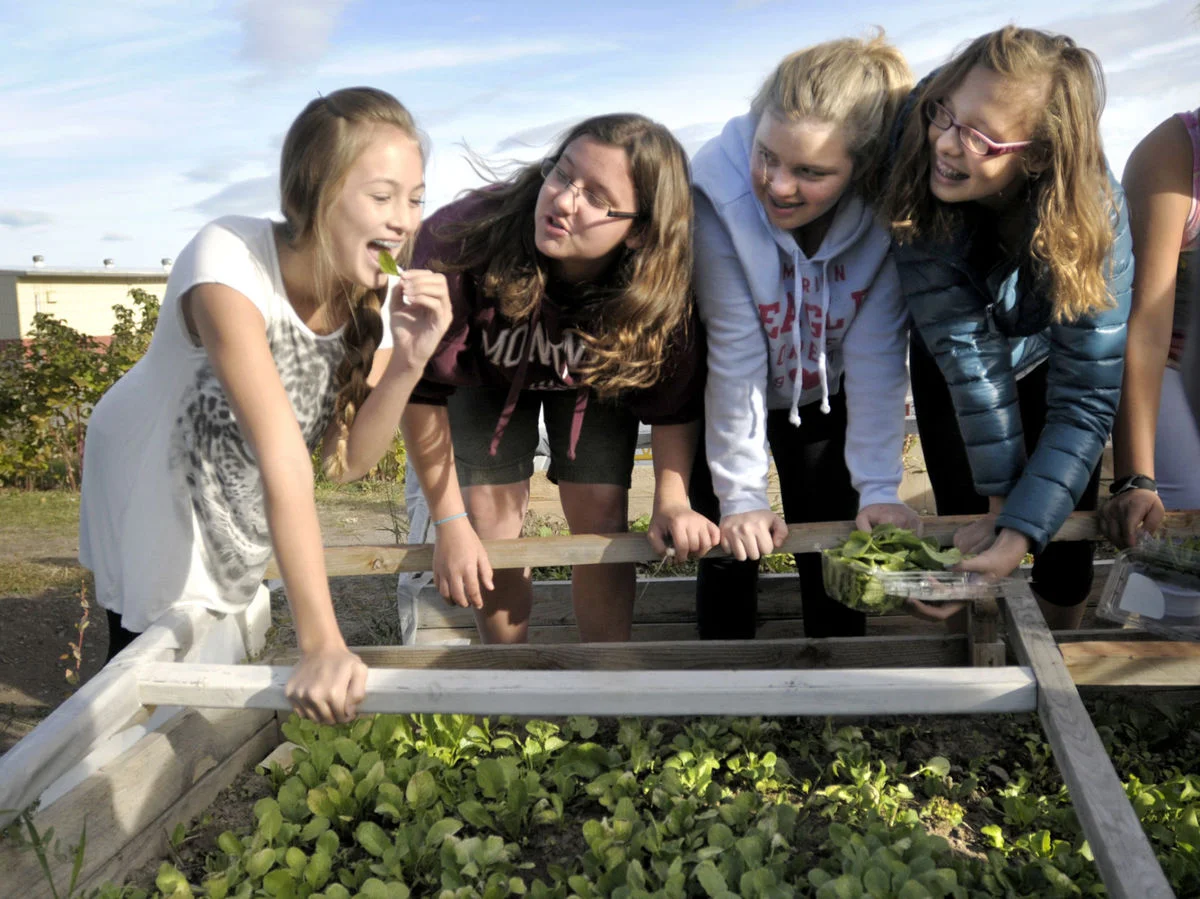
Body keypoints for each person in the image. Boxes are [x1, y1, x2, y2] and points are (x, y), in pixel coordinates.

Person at [79, 87, 452, 723]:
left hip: (234, 479)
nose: (404, 221)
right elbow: (283, 454)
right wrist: (323, 644)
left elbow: (346, 462)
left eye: (415, 199)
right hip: (150, 472)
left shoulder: (369, 298)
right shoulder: (226, 258)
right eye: (382, 196)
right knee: (147, 658)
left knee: (211, 644)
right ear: (312, 196)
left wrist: (409, 364)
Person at [401, 113, 719, 644]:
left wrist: (672, 499)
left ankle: (606, 682)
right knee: (489, 524)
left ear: (640, 230)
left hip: (595, 378)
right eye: (563, 174)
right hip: (482, 379)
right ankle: (512, 680)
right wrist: (450, 523)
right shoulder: (460, 242)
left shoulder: (657, 287)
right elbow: (420, 389)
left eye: (597, 197)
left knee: (599, 515)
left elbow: (673, 401)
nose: (565, 200)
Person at [881, 26, 1134, 629]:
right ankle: (981, 641)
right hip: (953, 350)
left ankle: (1061, 649)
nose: (947, 143)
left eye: (982, 138)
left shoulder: (1094, 216)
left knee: (1063, 523)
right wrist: (996, 510)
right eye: (946, 113)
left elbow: (1086, 397)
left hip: (1048, 353)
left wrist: (1019, 529)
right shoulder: (918, 153)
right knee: (965, 507)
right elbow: (965, 351)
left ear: (1041, 153)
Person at [688, 34, 917, 640]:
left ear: (862, 169)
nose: (779, 185)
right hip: (722, 392)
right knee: (727, 542)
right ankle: (727, 689)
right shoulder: (718, 195)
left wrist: (879, 486)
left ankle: (839, 693)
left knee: (837, 538)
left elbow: (876, 354)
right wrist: (740, 497)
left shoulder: (886, 211)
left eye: (811, 172)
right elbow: (734, 353)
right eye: (767, 156)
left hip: (820, 391)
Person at [1101, 108, 1200, 548]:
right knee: (1180, 525)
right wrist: (1136, 478)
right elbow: (1145, 327)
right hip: (1174, 366)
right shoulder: (1172, 153)